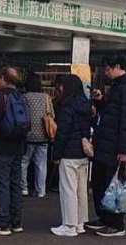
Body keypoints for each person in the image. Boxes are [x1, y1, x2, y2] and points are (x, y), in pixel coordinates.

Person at [85, 56, 126, 237]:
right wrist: (101, 101)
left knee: (114, 185)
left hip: (115, 148)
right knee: (100, 183)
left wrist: (124, 151)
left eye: (108, 69)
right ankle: (104, 218)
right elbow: (112, 114)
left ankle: (117, 225)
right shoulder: (116, 86)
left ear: (118, 67)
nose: (106, 72)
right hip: (105, 145)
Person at [0, 67, 27, 236]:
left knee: (2, 183)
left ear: (3, 79)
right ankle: (16, 221)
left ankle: (2, 222)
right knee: (15, 183)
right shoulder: (20, 97)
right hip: (18, 147)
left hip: (1, 146)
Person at [50, 75, 92, 237]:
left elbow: (62, 133)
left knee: (68, 190)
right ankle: (80, 223)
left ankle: (69, 225)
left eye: (61, 86)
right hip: (83, 153)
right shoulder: (86, 105)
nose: (59, 89)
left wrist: (56, 154)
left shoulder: (67, 106)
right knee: (81, 190)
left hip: (69, 154)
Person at [21, 73, 53, 198]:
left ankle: (24, 188)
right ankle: (41, 190)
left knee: (24, 162)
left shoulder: (25, 97)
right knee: (41, 164)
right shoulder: (46, 97)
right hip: (43, 135)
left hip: (28, 135)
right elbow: (52, 115)